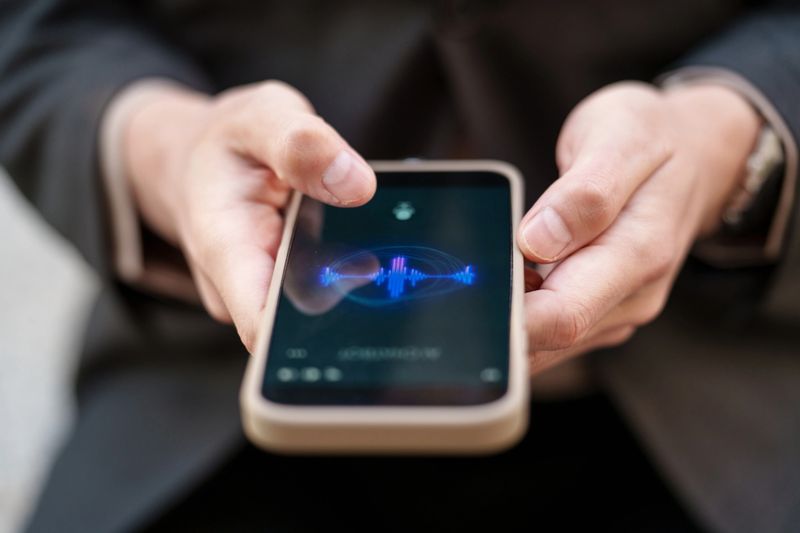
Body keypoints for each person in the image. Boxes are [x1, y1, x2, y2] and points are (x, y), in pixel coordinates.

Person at [1, 1, 799, 531]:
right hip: (206, 395)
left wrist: (733, 137)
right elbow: (32, 27)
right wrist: (165, 145)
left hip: (709, 396)